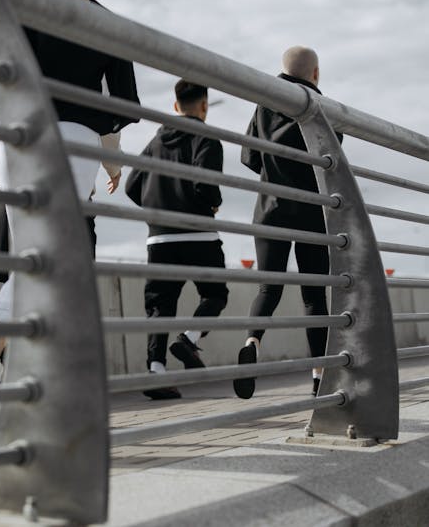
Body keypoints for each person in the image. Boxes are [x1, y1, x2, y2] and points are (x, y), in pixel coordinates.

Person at [0, 0, 140, 431]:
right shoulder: (105, 23)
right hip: (71, 143)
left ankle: (14, 391)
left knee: (34, 263)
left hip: (14, 138)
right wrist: (111, 158)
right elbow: (121, 106)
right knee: (48, 264)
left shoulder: (18, 10)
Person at [233, 46, 339, 400]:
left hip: (270, 209)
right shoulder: (320, 107)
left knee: (268, 289)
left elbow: (248, 156)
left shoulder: (265, 102)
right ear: (315, 73)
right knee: (313, 298)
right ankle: (318, 375)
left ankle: (252, 341)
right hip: (310, 211)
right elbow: (333, 156)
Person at [125, 80, 228, 399]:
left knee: (159, 306)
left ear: (174, 106)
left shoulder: (155, 141)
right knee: (215, 293)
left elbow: (132, 185)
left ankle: (156, 372)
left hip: (160, 239)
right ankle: (189, 339)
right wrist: (214, 202)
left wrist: (158, 210)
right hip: (199, 233)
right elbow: (205, 181)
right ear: (204, 106)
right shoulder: (207, 136)